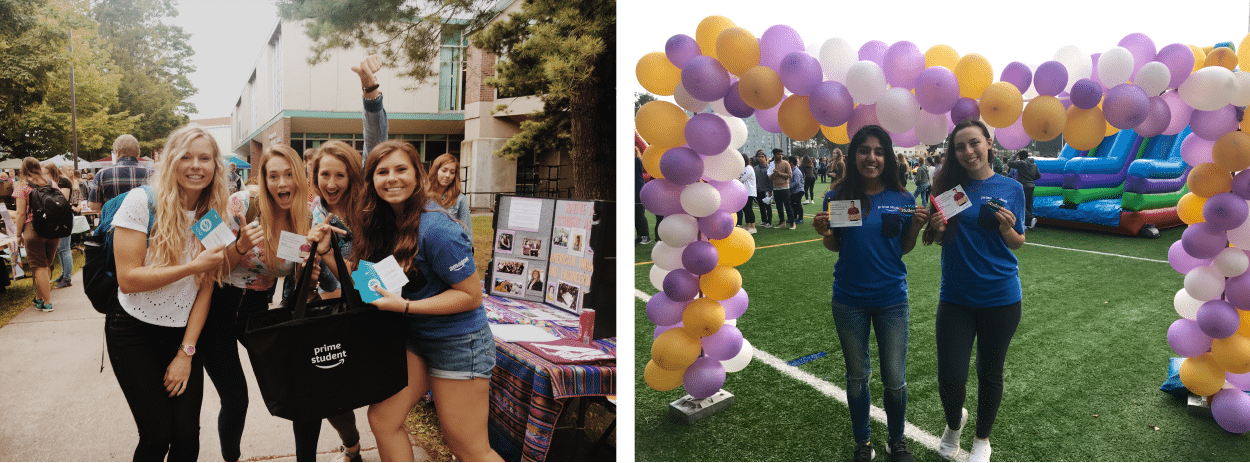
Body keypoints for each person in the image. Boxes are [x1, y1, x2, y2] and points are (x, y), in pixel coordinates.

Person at [309, 140, 503, 462]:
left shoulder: (437, 228)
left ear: (417, 175)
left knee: (468, 448)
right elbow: (368, 288)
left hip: (457, 343)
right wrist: (329, 252)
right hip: (415, 340)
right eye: (382, 172)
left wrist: (408, 307)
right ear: (371, 180)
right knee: (383, 420)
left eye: (401, 169)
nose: (392, 178)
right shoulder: (382, 223)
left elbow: (471, 296)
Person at [108, 126, 229, 461]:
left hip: (182, 334)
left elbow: (206, 288)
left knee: (188, 436)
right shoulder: (141, 202)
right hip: (133, 332)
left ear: (215, 165)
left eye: (205, 158)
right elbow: (128, 279)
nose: (196, 165)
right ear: (170, 161)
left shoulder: (212, 215)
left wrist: (186, 352)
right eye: (186, 157)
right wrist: (191, 266)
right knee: (157, 436)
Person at [812, 125, 926, 462]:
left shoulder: (903, 198)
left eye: (878, 151)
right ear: (853, 155)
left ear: (887, 156)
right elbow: (835, 245)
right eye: (864, 150)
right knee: (857, 376)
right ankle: (863, 442)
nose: (871, 158)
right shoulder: (837, 196)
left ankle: (896, 440)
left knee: (894, 377)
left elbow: (903, 247)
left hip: (892, 299)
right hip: (848, 300)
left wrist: (916, 228)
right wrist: (824, 233)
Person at [922, 119, 1026, 463]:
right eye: (960, 146)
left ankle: (982, 439)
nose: (968, 151)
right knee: (950, 378)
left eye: (974, 143)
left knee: (989, 373)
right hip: (955, 299)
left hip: (1001, 297)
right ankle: (954, 424)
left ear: (988, 144)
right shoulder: (949, 190)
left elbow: (1018, 243)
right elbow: (938, 239)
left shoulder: (1012, 188)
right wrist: (935, 228)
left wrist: (1008, 229)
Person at [13, 158, 57, 311]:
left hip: (33, 229)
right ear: (39, 167)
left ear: (23, 169)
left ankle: (47, 302)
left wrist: (18, 234)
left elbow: (20, 214)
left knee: (39, 267)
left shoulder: (22, 186)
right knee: (45, 265)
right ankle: (39, 298)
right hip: (54, 229)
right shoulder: (51, 183)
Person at [90, 134, 153, 211]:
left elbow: (94, 206)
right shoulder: (152, 173)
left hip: (112, 221)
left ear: (117, 152)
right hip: (145, 222)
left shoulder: (102, 174)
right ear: (138, 153)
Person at [41, 163, 74, 289]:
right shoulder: (52, 182)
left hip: (64, 218)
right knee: (60, 249)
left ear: (53, 172)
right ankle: (63, 274)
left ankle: (67, 278)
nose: (44, 176)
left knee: (65, 248)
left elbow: (63, 200)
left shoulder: (64, 181)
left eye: (46, 173)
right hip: (57, 218)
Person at [426, 153, 472, 238]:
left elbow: (467, 232)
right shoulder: (423, 196)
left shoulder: (460, 199)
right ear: (436, 171)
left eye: (452, 172)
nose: (447, 175)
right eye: (444, 170)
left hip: (450, 247)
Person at [1007, 150, 1039, 229]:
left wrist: (1015, 155)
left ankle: (1031, 218)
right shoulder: (1034, 164)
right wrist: (1031, 179)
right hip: (1031, 185)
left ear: (1021, 156)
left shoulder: (1022, 163)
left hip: (1023, 185)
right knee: (1028, 204)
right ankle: (1028, 224)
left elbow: (1009, 163)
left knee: (1020, 204)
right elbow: (1038, 175)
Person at [769, 149, 794, 229]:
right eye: (778, 154)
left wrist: (779, 173)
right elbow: (770, 177)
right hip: (776, 188)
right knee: (779, 206)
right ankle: (782, 222)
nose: (780, 156)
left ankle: (792, 222)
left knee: (787, 206)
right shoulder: (771, 164)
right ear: (774, 155)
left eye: (781, 154)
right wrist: (773, 175)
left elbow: (790, 175)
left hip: (784, 188)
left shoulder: (786, 163)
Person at [634, 146, 651, 244]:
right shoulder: (636, 160)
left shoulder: (636, 160)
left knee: (639, 214)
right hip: (636, 189)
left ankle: (645, 236)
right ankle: (640, 235)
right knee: (636, 215)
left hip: (637, 191)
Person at [737, 151, 757, 233]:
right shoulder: (744, 168)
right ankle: (748, 225)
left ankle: (753, 227)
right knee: (745, 210)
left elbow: (740, 178)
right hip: (745, 192)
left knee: (749, 209)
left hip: (749, 192)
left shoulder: (748, 168)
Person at [753, 150, 772, 228]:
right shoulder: (755, 168)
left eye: (762, 157)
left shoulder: (769, 168)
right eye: (759, 157)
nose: (761, 158)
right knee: (761, 207)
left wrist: (770, 191)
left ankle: (769, 222)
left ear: (765, 158)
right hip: (758, 190)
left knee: (768, 206)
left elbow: (771, 181)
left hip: (766, 191)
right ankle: (764, 220)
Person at [788, 155, 805, 225]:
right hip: (794, 191)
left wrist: (788, 186)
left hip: (798, 191)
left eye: (788, 162)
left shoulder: (796, 172)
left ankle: (800, 218)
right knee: (793, 205)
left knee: (798, 205)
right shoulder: (792, 171)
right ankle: (794, 218)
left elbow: (797, 182)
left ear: (791, 163)